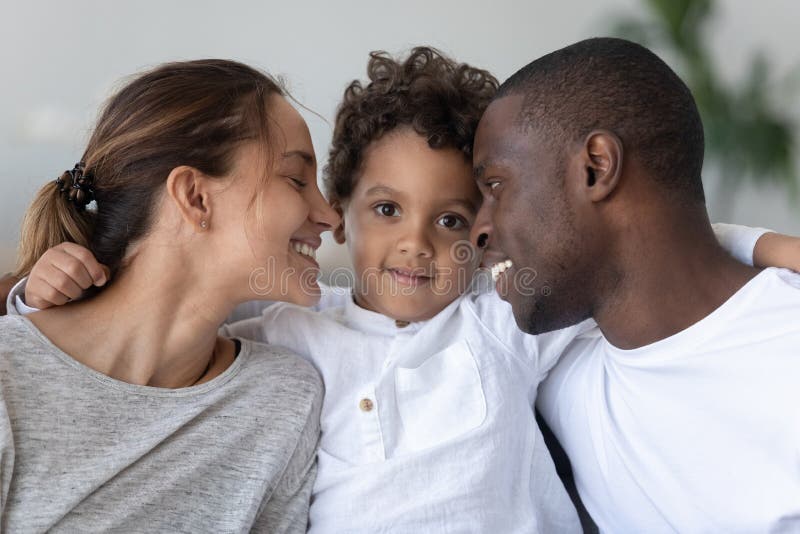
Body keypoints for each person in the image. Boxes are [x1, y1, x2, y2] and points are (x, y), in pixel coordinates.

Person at [8, 47, 796, 534]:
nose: (417, 242)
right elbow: (113, 318)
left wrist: (758, 245)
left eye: (456, 215)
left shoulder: (494, 324)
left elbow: (625, 252)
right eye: (382, 208)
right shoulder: (290, 335)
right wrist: (37, 288)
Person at [469, 37, 800, 532]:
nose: (477, 229)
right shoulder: (553, 371)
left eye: (495, 186)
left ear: (595, 167)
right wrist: (754, 242)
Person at [0, 59, 341, 532]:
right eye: (297, 179)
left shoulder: (285, 399)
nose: (331, 218)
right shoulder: (8, 378)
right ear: (195, 197)